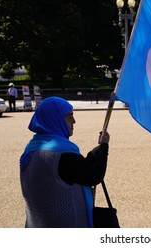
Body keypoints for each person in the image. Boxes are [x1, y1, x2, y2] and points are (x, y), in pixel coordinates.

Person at [19, 97, 110, 227]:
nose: (74, 121)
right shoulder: (61, 154)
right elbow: (93, 176)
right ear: (55, 119)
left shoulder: (32, 148)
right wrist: (105, 146)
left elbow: (79, 168)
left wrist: (100, 148)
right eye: (69, 116)